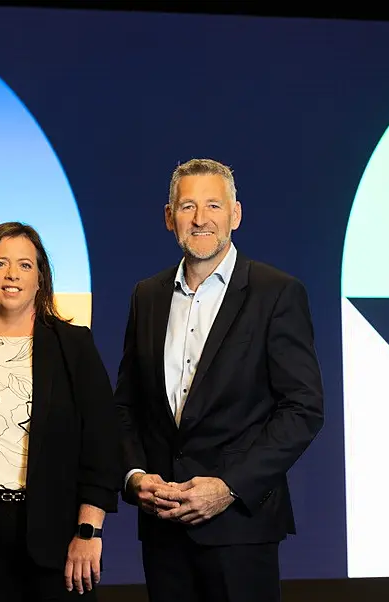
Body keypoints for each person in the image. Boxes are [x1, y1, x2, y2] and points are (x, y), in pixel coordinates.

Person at [113, 158, 324, 602]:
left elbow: (303, 409)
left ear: (236, 214)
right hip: (163, 529)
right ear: (170, 218)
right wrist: (134, 476)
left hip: (240, 530)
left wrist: (228, 487)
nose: (201, 218)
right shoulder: (147, 295)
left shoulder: (277, 292)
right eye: (187, 206)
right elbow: (126, 406)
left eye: (213, 204)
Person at [0, 222, 122, 601]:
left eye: (25, 265)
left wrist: (89, 532)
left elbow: (103, 446)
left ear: (40, 279)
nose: (12, 274)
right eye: (0, 263)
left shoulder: (73, 346)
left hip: (59, 540)